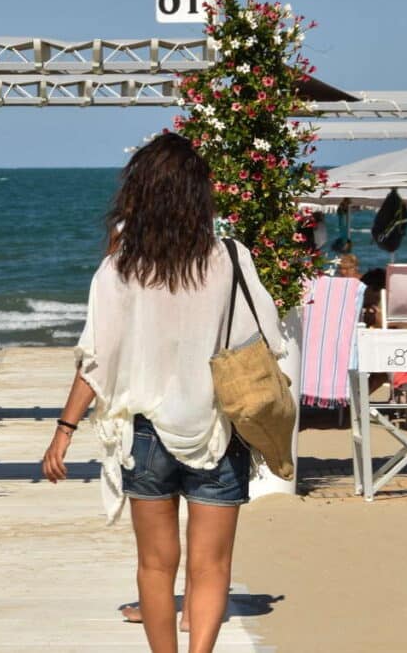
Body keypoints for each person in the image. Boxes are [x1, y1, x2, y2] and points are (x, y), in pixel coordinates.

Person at [42, 134, 284, 653]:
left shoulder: (121, 269)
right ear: (200, 195)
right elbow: (267, 338)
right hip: (218, 430)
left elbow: (96, 359)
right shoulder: (231, 259)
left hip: (145, 433)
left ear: (141, 194)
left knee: (155, 566)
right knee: (212, 565)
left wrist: (63, 431)